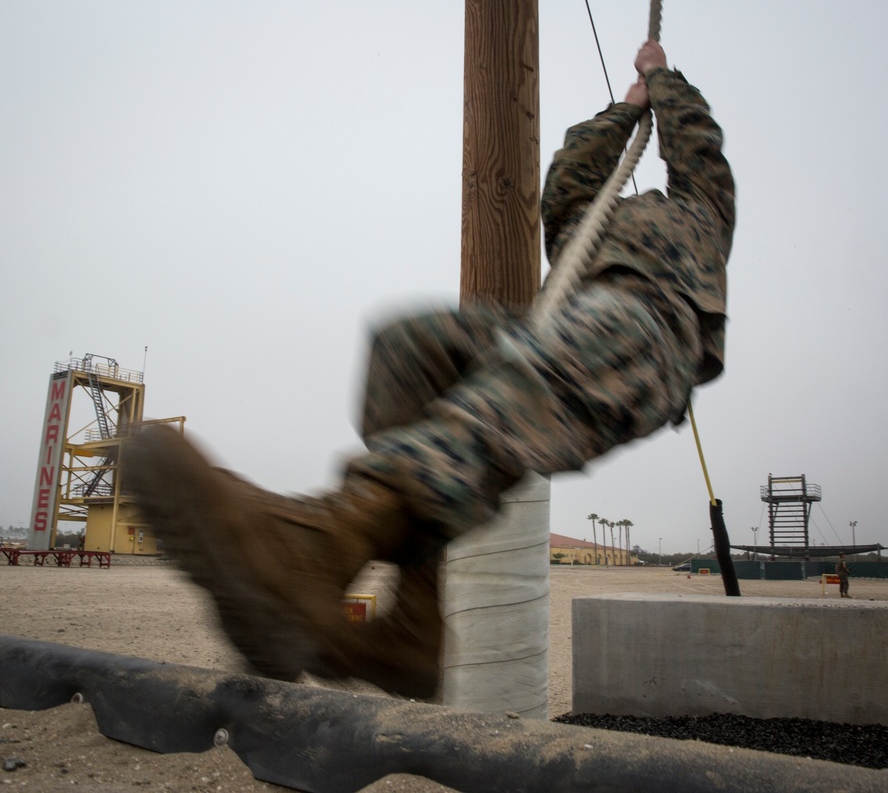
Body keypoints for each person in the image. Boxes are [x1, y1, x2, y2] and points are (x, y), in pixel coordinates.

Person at [124, 39, 735, 698]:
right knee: (407, 347)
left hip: (651, 331)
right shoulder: (585, 223)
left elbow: (699, 151)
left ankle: (329, 541)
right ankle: (412, 627)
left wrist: (662, 80)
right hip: (557, 328)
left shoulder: (699, 212)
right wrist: (623, 110)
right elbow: (568, 181)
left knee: (527, 372)